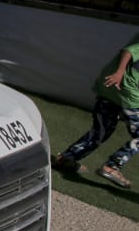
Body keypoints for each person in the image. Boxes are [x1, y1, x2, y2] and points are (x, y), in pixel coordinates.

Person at [51, 36, 139, 188]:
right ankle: (113, 166)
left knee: (101, 130)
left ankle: (65, 159)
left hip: (110, 85)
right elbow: (130, 50)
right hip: (125, 89)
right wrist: (119, 73)